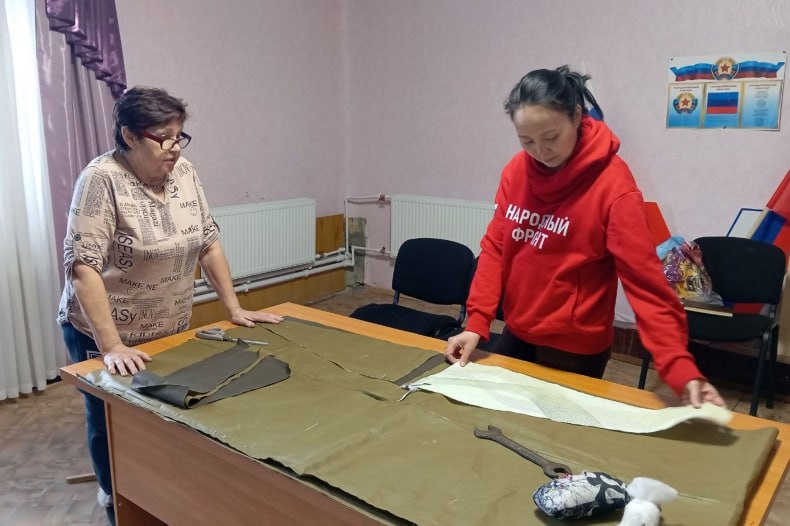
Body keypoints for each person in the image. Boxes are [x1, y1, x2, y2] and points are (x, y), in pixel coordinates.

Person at [57, 86, 283, 524]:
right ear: (129, 135)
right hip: (104, 330)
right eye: (163, 138)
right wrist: (112, 346)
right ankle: (114, 492)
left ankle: (158, 483)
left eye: (180, 136)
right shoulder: (101, 180)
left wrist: (234, 308)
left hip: (167, 324)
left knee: (160, 405)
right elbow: (84, 268)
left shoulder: (185, 173)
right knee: (109, 415)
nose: (174, 148)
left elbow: (208, 242)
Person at [444, 66, 724, 408]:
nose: (541, 151)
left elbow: (645, 283)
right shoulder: (516, 171)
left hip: (574, 346)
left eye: (551, 137)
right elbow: (496, 249)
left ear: (576, 116)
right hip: (519, 329)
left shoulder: (613, 186)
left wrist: (679, 366)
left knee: (553, 433)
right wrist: (476, 322)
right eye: (527, 141)